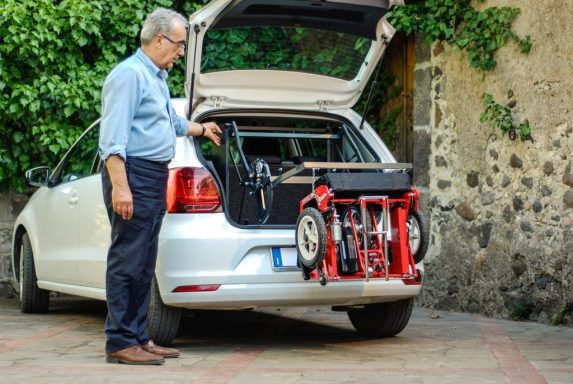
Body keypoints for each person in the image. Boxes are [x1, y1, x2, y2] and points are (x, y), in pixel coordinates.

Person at [98, 8, 221, 365]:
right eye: (179, 45)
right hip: (132, 174)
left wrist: (201, 129)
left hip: (152, 175)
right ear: (158, 40)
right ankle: (119, 341)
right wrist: (121, 187)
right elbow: (112, 140)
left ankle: (139, 337)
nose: (181, 52)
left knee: (144, 261)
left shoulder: (155, 77)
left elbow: (168, 121)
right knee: (127, 259)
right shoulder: (129, 76)